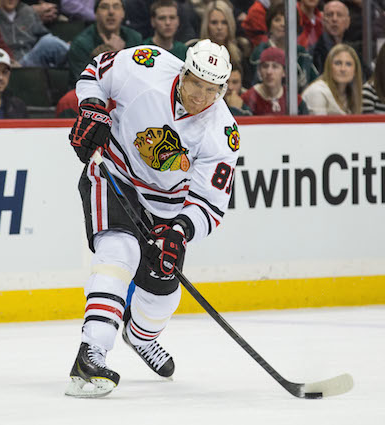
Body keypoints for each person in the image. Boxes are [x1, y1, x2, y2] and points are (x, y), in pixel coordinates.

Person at [64, 39, 239, 398]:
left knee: (162, 295)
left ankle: (140, 335)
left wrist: (180, 231)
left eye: (212, 90)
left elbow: (210, 203)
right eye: (195, 83)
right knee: (119, 253)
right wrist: (93, 108)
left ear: (222, 89)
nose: (200, 96)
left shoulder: (223, 134)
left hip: (166, 209)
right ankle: (91, 354)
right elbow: (94, 72)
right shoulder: (146, 66)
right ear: (183, 72)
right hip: (114, 173)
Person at [67, 0, 143, 84]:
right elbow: (84, 83)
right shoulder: (80, 44)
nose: (111, 12)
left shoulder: (135, 38)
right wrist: (113, 54)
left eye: (116, 6)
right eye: (104, 7)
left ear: (123, 13)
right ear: (95, 14)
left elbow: (139, 78)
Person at [249, 2, 318, 91]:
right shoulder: (260, 52)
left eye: (287, 20)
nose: (283, 24)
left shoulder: (301, 52)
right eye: (277, 20)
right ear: (269, 25)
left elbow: (315, 82)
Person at [0, 0, 69, 68]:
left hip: (30, 59)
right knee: (48, 42)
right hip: (6, 62)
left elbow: (43, 35)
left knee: (49, 42)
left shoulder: (27, 11)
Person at [302, 43, 363, 115]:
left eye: (348, 64)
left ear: (355, 71)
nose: (343, 69)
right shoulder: (318, 91)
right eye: (338, 63)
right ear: (329, 67)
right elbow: (318, 126)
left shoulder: (351, 94)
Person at [242, 46, 300, 115]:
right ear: (259, 71)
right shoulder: (248, 99)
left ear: (284, 72)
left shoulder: (294, 99)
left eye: (275, 66)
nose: (269, 72)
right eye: (265, 66)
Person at [311, 0, 350, 74]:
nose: (334, 19)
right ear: (322, 21)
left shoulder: (353, 51)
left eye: (339, 15)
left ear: (347, 22)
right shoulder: (314, 53)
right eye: (329, 15)